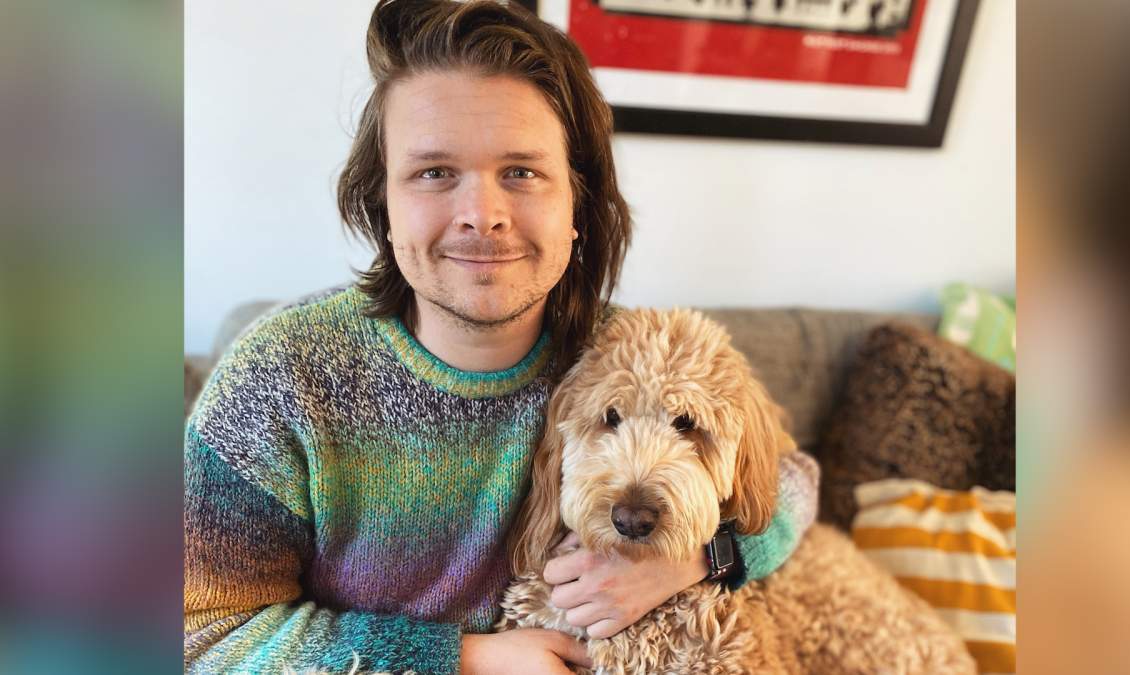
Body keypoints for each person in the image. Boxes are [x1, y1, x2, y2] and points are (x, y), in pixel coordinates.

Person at [183, 1, 818, 672]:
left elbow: (793, 479)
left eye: (521, 171)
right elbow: (198, 631)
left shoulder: (620, 358)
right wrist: (463, 659)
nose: (482, 215)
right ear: (383, 205)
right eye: (434, 172)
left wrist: (691, 559)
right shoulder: (281, 375)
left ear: (577, 204)